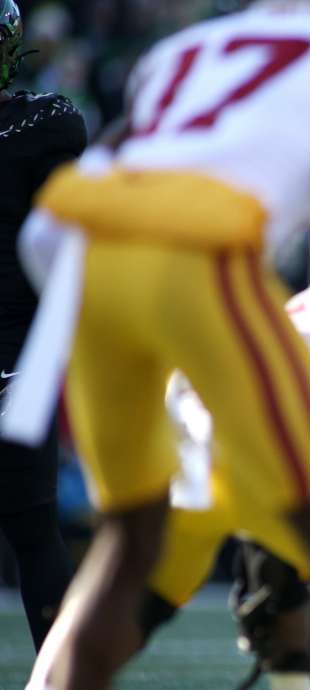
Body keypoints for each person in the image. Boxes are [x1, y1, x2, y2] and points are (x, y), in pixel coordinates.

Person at [1, 2, 310, 689]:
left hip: (89, 264)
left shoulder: (191, 49)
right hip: (203, 260)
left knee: (127, 546)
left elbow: (46, 234)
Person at [0, 0, 84, 652]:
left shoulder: (44, 125)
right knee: (33, 529)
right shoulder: (43, 124)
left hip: (17, 358)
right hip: (19, 361)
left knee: (33, 529)